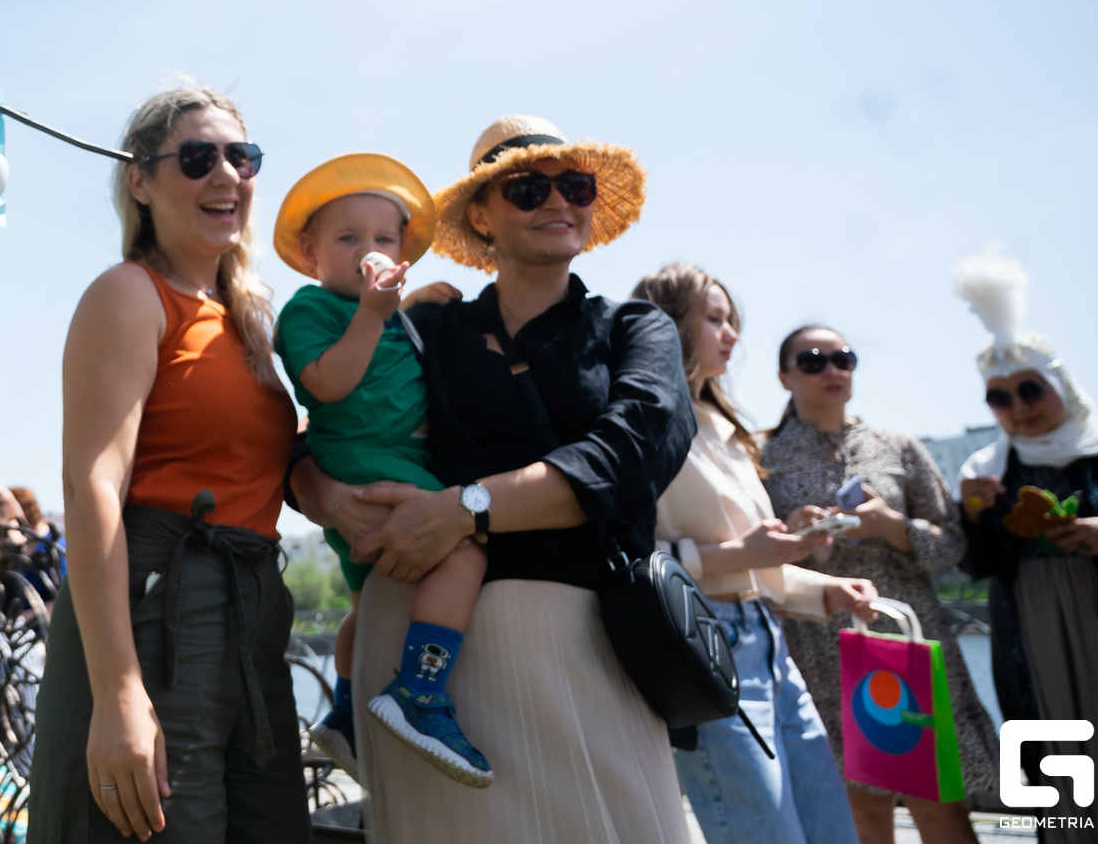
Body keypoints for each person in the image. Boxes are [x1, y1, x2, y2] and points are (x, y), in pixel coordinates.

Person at [289, 114, 698, 843]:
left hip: (590, 642)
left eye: (575, 186)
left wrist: (464, 509)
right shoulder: (423, 328)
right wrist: (331, 500)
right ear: (481, 215)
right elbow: (310, 435)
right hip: (413, 635)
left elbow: (629, 455)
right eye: (528, 188)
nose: (557, 201)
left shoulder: (636, 329)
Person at [34, 86, 306, 844]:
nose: (225, 175)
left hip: (250, 612)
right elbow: (92, 485)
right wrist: (118, 690)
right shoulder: (129, 294)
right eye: (196, 157)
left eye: (240, 157)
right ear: (141, 181)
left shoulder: (247, 322)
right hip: (158, 610)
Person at [636, 263, 874, 844]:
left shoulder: (725, 426)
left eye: (732, 320)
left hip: (768, 642)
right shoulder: (641, 420)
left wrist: (824, 587)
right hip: (703, 647)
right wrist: (747, 550)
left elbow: (748, 563)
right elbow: (630, 559)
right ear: (671, 324)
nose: (732, 334)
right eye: (715, 319)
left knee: (832, 832)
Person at [271, 152, 489, 787]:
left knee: (367, 606)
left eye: (384, 240)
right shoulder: (309, 310)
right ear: (310, 252)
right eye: (348, 238)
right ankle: (420, 691)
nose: (368, 250)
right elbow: (327, 384)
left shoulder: (389, 315)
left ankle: (343, 711)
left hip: (398, 461)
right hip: (366, 463)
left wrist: (402, 307)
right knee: (466, 549)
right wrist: (372, 311)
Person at [760, 325, 997, 844]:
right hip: (819, 649)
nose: (832, 369)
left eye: (843, 358)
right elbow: (754, 558)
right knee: (861, 816)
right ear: (784, 377)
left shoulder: (898, 446)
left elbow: (951, 547)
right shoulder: (761, 458)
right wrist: (795, 534)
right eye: (813, 360)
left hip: (905, 637)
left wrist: (893, 526)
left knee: (940, 806)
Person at [952, 249, 1098, 844]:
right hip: (1034, 636)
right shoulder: (985, 469)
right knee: (1057, 758)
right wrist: (974, 516)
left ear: (1061, 386)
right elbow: (978, 565)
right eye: (999, 398)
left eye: (1030, 389)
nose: (1018, 408)